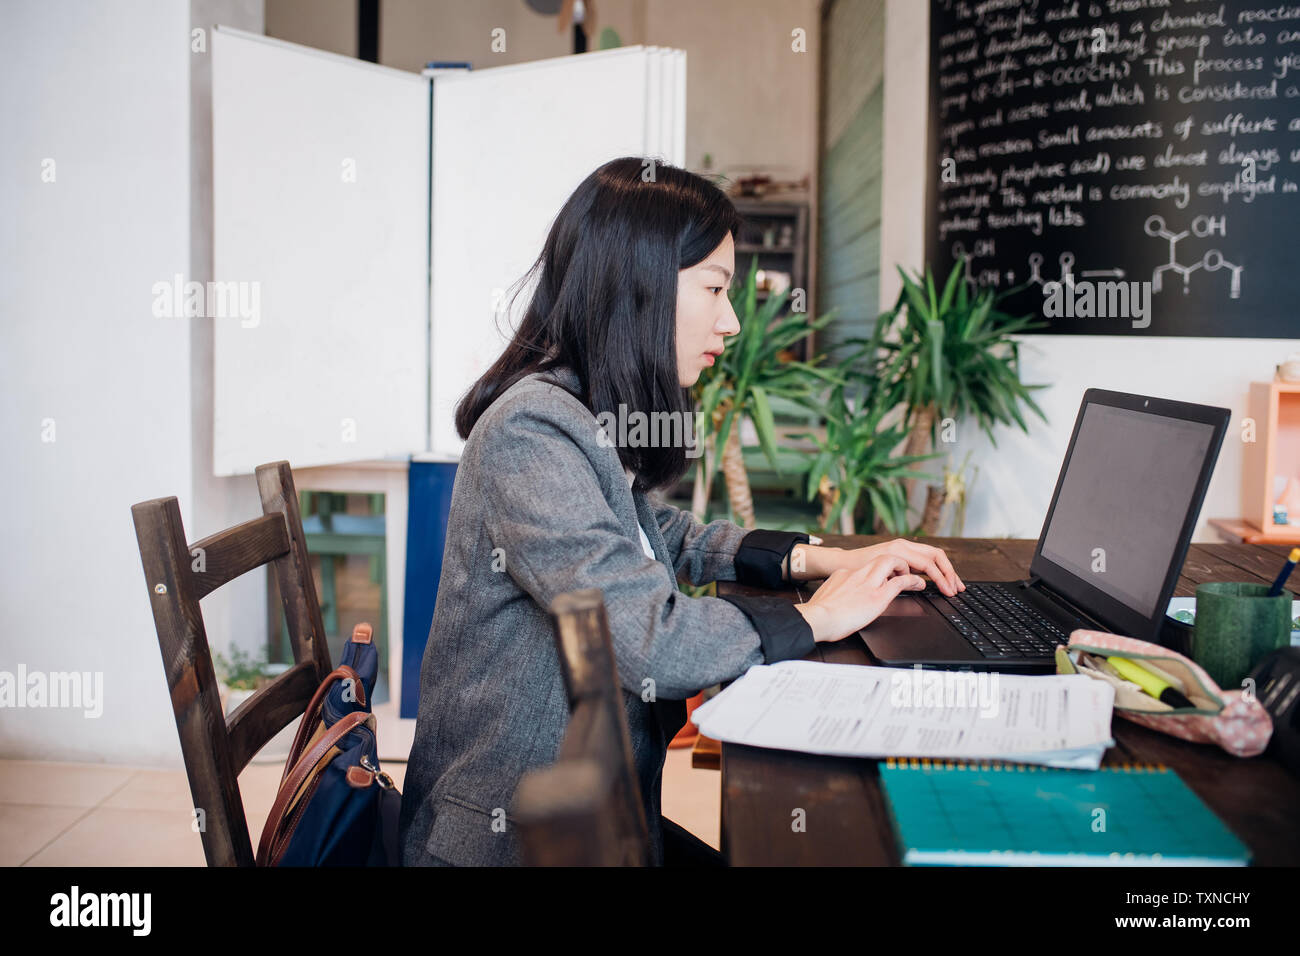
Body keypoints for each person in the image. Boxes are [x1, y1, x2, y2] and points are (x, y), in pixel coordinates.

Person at [397, 156, 964, 866]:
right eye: (716, 288)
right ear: (638, 284)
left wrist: (816, 559)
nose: (730, 321)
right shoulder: (531, 431)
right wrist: (815, 617)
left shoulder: (578, 405)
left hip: (595, 820)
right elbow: (647, 642)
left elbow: (652, 531)